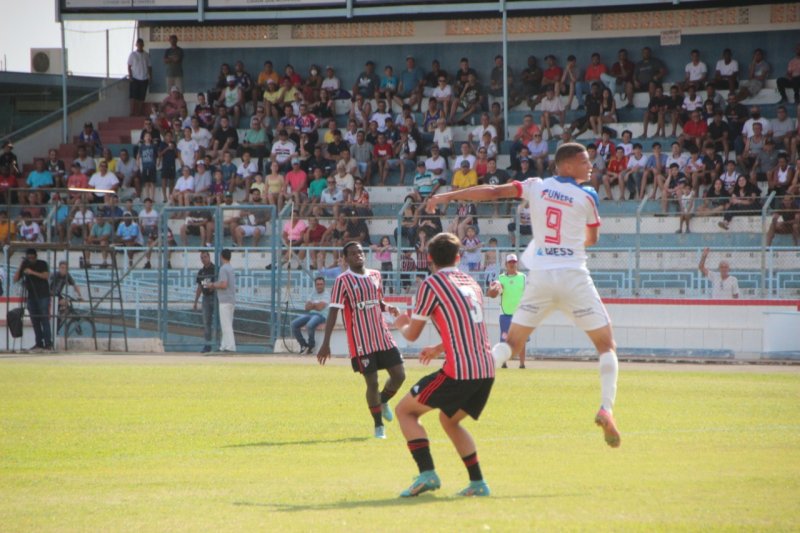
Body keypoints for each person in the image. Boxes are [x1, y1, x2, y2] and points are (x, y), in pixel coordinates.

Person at [428, 142, 622, 449]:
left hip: (541, 277)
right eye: (585, 162)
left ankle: (461, 380)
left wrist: (448, 196)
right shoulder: (588, 195)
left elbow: (492, 192)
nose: (591, 166)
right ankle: (606, 407)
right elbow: (592, 239)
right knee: (606, 346)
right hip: (573, 275)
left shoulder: (535, 186)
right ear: (567, 166)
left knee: (511, 345)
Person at [392, 232, 495, 497]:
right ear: (459, 257)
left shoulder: (432, 284)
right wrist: (439, 348)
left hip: (460, 371)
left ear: (429, 259)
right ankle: (478, 483)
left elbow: (412, 334)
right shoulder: (472, 282)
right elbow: (467, 327)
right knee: (449, 421)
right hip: (485, 369)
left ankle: (427, 474)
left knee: (405, 411)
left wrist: (401, 323)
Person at [317, 242, 405, 439]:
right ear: (346, 259)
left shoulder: (375, 275)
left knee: (399, 375)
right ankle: (378, 426)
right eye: (353, 253)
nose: (358, 255)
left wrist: (388, 307)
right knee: (372, 382)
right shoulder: (343, 280)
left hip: (382, 335)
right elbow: (334, 310)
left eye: (360, 252)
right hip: (361, 340)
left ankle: (383, 401)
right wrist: (325, 343)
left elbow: (377, 300)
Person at [486, 254, 527, 369]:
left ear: (516, 263)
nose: (512, 264)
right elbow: (491, 294)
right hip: (505, 314)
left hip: (520, 314)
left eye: (514, 262)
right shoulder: (501, 279)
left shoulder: (523, 277)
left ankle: (522, 364)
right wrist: (492, 290)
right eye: (510, 262)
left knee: (521, 339)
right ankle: (504, 362)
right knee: (505, 339)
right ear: (506, 264)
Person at [14, 249, 52, 352]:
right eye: (28, 258)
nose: (30, 260)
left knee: (44, 319)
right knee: (35, 321)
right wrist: (21, 266)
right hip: (31, 297)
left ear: (36, 256)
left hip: (43, 295)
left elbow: (45, 276)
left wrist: (32, 272)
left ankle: (48, 344)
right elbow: (15, 279)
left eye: (32, 258)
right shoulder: (25, 265)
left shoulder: (42, 264)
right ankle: (39, 343)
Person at [206, 249, 236, 352]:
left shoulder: (223, 269)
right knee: (227, 324)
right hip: (231, 299)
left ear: (222, 257)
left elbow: (224, 284)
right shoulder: (230, 268)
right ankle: (224, 345)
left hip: (225, 300)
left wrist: (213, 285)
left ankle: (230, 346)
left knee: (226, 325)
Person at [292, 276, 330, 355]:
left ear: (324, 285)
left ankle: (311, 345)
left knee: (309, 325)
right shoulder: (312, 293)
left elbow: (320, 308)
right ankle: (303, 345)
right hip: (310, 314)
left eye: (321, 284)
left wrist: (312, 305)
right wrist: (316, 305)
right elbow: (306, 307)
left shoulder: (327, 294)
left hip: (321, 316)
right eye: (317, 284)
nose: (319, 286)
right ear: (315, 285)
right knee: (293, 324)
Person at [193, 251, 216, 354]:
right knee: (206, 322)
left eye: (205, 257)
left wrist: (213, 287)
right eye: (202, 257)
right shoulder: (201, 272)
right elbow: (199, 287)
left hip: (215, 297)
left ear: (209, 257)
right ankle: (208, 345)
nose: (203, 259)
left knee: (217, 322)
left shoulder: (215, 269)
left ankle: (218, 343)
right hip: (206, 298)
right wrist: (196, 301)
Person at [127, 38, 152, 117]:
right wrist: (130, 75)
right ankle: (132, 112)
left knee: (142, 97)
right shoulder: (132, 54)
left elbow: (150, 66)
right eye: (138, 44)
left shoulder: (146, 55)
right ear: (136, 45)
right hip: (135, 77)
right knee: (133, 96)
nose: (140, 45)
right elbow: (129, 66)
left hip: (144, 78)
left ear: (143, 45)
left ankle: (139, 112)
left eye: (141, 44)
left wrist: (150, 76)